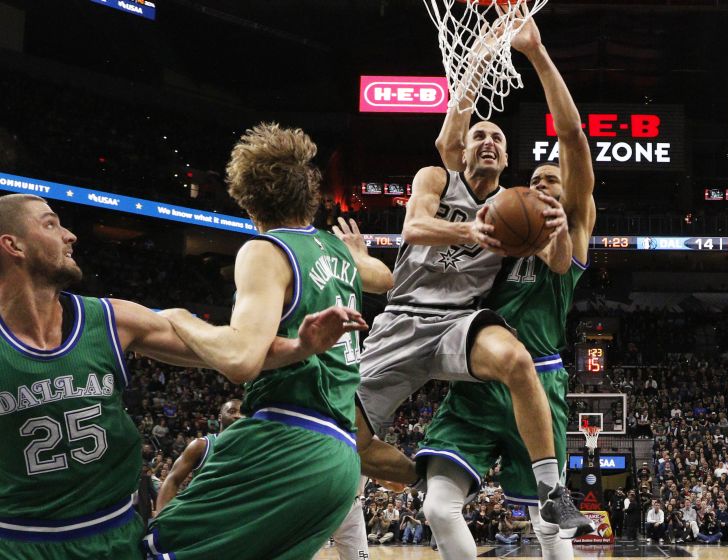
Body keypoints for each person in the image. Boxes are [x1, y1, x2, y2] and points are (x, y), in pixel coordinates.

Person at [355, 5, 583, 537]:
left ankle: (553, 491)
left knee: (519, 362)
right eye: (479, 135)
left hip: (461, 321)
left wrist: (557, 228)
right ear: (464, 150)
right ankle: (424, 476)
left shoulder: (516, 207)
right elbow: (413, 227)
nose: (487, 140)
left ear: (506, 162)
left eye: (498, 139)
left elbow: (556, 261)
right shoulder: (437, 177)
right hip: (403, 320)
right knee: (347, 439)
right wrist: (483, 52)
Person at [144, 124, 418, 560]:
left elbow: (240, 358)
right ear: (309, 194)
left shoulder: (264, 251)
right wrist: (360, 255)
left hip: (288, 439)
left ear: (248, 200)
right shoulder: (335, 250)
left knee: (157, 549)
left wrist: (182, 319)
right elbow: (385, 279)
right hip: (341, 459)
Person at [414, 11, 597, 560]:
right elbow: (454, 150)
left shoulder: (575, 231)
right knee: (436, 507)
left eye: (552, 182)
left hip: (539, 382)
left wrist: (536, 54)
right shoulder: (495, 225)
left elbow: (572, 136)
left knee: (550, 527)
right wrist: (476, 63)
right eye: (533, 180)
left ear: (567, 198)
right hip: (479, 370)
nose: (541, 185)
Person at [0, 193, 250, 559]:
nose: (70, 235)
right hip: (19, 543)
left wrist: (301, 343)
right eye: (50, 223)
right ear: (13, 245)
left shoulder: (111, 319)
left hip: (114, 536)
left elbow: (233, 351)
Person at [155, 399, 243, 511]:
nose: (238, 416)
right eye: (232, 411)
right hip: (203, 514)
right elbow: (172, 480)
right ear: (220, 417)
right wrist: (161, 518)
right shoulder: (201, 445)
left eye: (242, 413)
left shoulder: (251, 448)